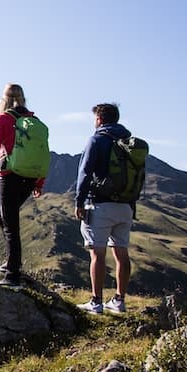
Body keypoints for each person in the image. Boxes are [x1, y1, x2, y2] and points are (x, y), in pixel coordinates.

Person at [0, 83, 46, 288]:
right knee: (2, 216)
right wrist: (38, 182)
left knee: (10, 223)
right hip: (29, 177)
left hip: (10, 175)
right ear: (23, 99)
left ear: (3, 100)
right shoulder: (34, 121)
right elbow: (42, 153)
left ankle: (12, 274)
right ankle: (12, 262)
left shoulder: (1, 119)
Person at [75, 102, 134, 314]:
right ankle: (119, 300)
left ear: (99, 119)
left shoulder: (97, 140)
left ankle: (96, 302)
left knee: (97, 255)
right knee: (122, 253)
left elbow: (85, 173)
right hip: (125, 205)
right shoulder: (129, 143)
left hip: (100, 204)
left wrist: (79, 202)